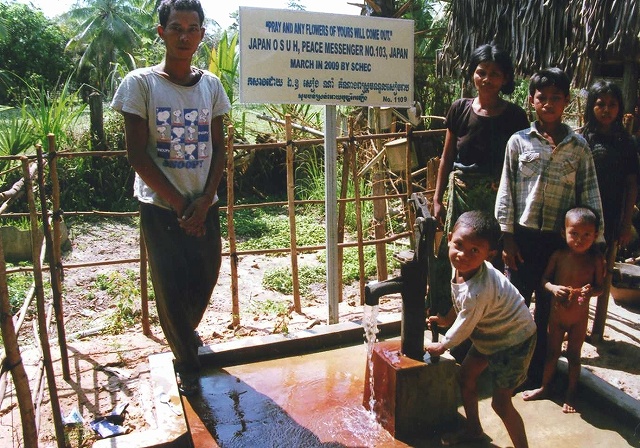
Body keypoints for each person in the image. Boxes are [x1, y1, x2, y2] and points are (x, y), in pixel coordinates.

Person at [111, 0, 231, 395]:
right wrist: (182, 206)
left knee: (207, 275)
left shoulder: (211, 86)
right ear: (161, 32)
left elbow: (219, 148)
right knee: (170, 289)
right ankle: (189, 370)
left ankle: (184, 337)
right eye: (176, 27)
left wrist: (205, 200)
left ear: (201, 34)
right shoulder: (141, 84)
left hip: (205, 205)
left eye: (192, 29)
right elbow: (137, 155)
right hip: (161, 209)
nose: (184, 36)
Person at [494, 67, 605, 387]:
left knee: (548, 312)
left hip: (558, 245)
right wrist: (507, 238)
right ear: (532, 100)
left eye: (556, 98)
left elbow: (590, 194)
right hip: (523, 240)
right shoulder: (518, 142)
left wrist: (596, 244)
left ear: (566, 101)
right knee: (515, 305)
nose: (549, 103)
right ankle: (508, 372)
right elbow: (507, 190)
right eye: (542, 97)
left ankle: (537, 376)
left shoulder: (578, 147)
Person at [429, 44, 529, 360]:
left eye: (494, 74)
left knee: (488, 260)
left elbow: (519, 164)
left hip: (495, 198)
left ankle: (483, 335)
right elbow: (447, 157)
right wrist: (437, 198)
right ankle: (448, 328)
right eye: (481, 72)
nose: (486, 79)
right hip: (460, 195)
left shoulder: (515, 116)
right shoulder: (459, 109)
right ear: (472, 73)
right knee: (453, 256)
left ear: (505, 79)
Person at [425, 210, 535, 448]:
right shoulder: (462, 268)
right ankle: (474, 430)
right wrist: (446, 319)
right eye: (459, 245)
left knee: (501, 404)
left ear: (490, 255)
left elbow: (467, 321)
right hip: (490, 333)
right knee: (465, 377)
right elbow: (461, 304)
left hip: (514, 339)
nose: (463, 255)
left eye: (475, 250)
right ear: (450, 238)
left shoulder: (479, 290)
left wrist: (443, 344)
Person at [522, 207, 603, 413]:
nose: (579, 239)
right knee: (552, 354)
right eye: (574, 233)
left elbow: (600, 287)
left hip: (578, 319)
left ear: (595, 235)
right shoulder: (558, 256)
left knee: (574, 356)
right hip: (557, 316)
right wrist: (554, 288)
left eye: (586, 235)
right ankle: (545, 387)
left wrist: (590, 291)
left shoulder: (595, 260)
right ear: (563, 232)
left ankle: (571, 393)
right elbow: (544, 280)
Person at [580, 80, 639, 341]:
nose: (606, 109)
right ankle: (574, 323)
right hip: (580, 214)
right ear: (591, 106)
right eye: (600, 104)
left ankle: (597, 328)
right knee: (576, 268)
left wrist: (626, 222)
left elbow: (631, 183)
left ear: (620, 107)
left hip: (611, 214)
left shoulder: (626, 143)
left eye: (612, 104)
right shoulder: (582, 138)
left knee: (601, 269)